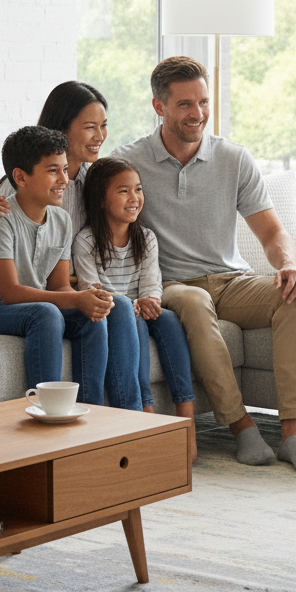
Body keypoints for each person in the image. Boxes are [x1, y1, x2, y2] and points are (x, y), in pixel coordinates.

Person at [113, 56, 296, 474]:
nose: (198, 114)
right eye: (185, 105)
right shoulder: (129, 160)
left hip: (232, 280)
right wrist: (2, 198)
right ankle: (241, 426)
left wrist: (289, 266)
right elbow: (70, 180)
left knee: (295, 294)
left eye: (204, 102)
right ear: (159, 107)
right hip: (171, 284)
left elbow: (271, 233)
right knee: (193, 301)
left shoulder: (233, 158)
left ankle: (293, 434)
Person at [0, 126, 142, 410]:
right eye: (53, 171)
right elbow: (10, 293)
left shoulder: (61, 219)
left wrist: (89, 298)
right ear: (20, 177)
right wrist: (76, 299)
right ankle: (49, 413)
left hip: (31, 308)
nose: (64, 180)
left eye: (65, 170)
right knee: (46, 313)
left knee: (114, 307)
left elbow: (59, 287)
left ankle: (98, 415)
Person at [74, 157, 197, 458]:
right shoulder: (86, 240)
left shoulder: (146, 238)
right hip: (117, 311)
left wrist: (151, 300)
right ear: (101, 200)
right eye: (123, 191)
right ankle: (147, 411)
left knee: (168, 320)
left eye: (138, 189)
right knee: (133, 318)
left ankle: (187, 417)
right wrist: (130, 304)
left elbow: (152, 280)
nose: (134, 198)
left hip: (142, 306)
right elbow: (92, 289)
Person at [0, 81, 109, 233]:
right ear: (61, 129)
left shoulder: (94, 180)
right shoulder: (20, 184)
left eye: (103, 125)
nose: (100, 136)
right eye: (90, 127)